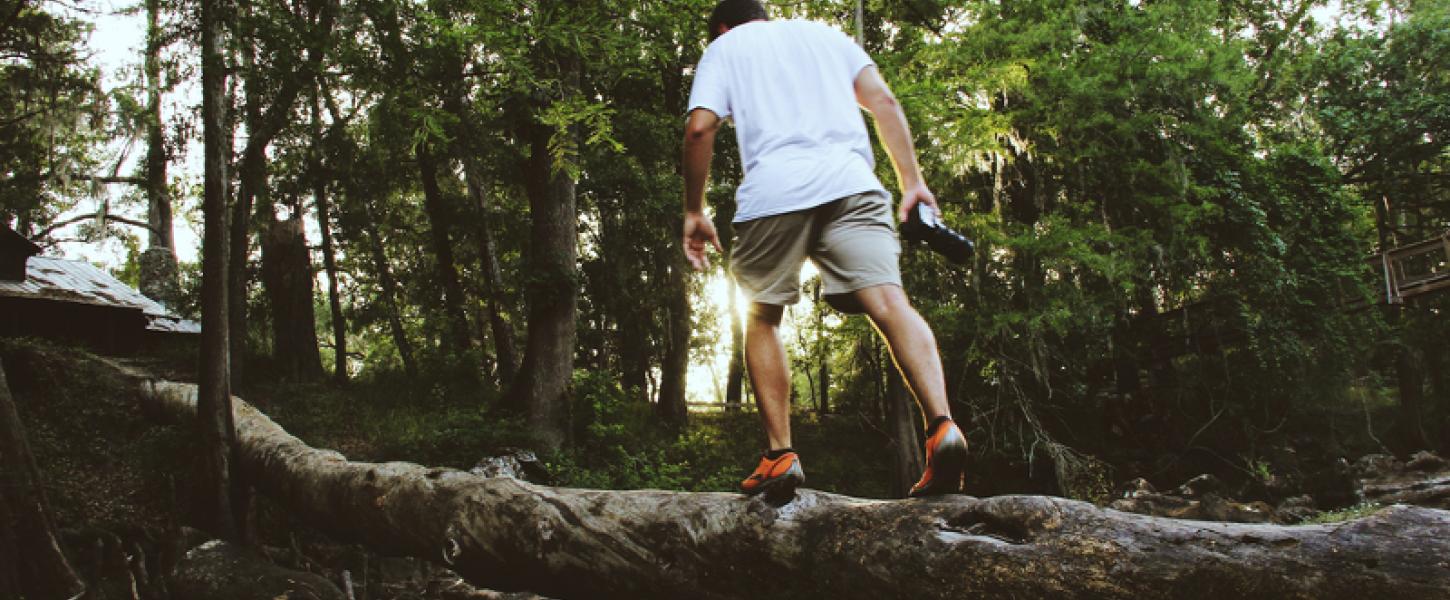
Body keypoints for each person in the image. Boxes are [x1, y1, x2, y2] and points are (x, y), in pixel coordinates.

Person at [681, 0, 967, 499]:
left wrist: (694, 209)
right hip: (853, 184)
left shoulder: (725, 48)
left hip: (774, 194)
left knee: (763, 316)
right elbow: (885, 103)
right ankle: (942, 426)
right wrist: (912, 183)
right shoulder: (827, 37)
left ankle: (780, 455)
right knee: (890, 303)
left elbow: (700, 127)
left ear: (723, 27)